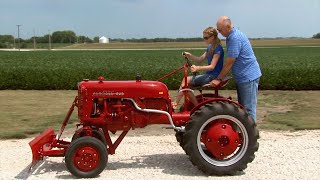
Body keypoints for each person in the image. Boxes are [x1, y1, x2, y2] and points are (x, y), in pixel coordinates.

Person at [210, 16, 262, 122]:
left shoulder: (234, 38)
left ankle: (251, 136)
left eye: (220, 30)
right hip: (243, 76)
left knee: (248, 109)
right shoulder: (230, 36)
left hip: (248, 76)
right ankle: (245, 134)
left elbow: (230, 62)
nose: (219, 32)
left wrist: (218, 79)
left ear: (228, 27)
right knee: (242, 109)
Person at [172, 27, 224, 109]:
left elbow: (212, 67)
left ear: (213, 37)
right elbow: (199, 59)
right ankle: (194, 106)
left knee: (186, 81)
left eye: (206, 38)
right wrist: (189, 55)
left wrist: (198, 68)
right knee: (186, 84)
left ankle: (177, 103)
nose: (204, 40)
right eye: (203, 38)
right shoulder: (210, 47)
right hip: (209, 75)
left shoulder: (218, 49)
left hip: (213, 76)